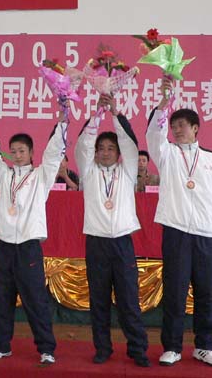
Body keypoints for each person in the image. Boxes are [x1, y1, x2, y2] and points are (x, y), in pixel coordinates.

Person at [146, 78, 212, 367]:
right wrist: (164, 101)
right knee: (175, 291)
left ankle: (204, 346)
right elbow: (153, 134)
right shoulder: (167, 153)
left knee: (206, 293)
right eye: (174, 126)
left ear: (195, 129)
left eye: (182, 125)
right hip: (177, 232)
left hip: (205, 234)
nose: (177, 130)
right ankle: (172, 347)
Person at [0, 104, 67, 365]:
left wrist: (62, 122)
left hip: (29, 246)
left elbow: (54, 153)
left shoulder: (41, 176)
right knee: (2, 299)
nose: (17, 155)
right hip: (6, 246)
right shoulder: (4, 175)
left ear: (31, 153)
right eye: (14, 151)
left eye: (22, 151)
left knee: (35, 300)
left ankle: (46, 348)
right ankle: (1, 345)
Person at [75, 94, 150, 367]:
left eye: (110, 148)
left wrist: (115, 114)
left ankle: (138, 349)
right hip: (96, 243)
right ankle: (103, 349)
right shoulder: (88, 172)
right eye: (101, 148)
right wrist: (97, 115)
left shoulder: (128, 171)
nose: (105, 152)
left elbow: (130, 143)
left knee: (129, 300)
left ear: (118, 154)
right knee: (99, 301)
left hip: (122, 243)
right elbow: (82, 144)